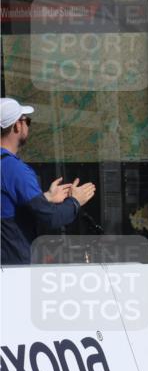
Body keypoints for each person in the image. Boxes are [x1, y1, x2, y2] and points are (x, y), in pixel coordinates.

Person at [1, 97, 95, 265]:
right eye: (27, 121)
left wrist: (45, 198)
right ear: (17, 125)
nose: (27, 125)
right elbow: (50, 218)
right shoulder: (13, 169)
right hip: (14, 270)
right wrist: (75, 201)